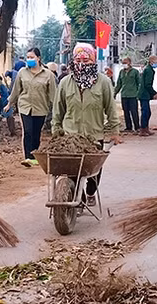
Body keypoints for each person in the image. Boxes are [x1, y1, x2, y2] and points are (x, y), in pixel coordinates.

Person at [52, 43, 122, 207]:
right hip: (71, 137)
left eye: (86, 59)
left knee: (93, 173)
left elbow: (110, 108)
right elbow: (58, 109)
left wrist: (115, 131)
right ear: (73, 61)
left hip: (94, 136)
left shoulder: (103, 82)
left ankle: (90, 191)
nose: (82, 64)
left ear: (93, 61)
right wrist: (56, 130)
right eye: (78, 59)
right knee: (71, 171)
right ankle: (79, 196)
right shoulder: (65, 83)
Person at [7, 47, 57, 164]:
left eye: (31, 57)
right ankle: (28, 157)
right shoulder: (22, 73)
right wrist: (10, 103)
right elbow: (16, 90)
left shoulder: (48, 75)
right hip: (25, 107)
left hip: (41, 108)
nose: (29, 59)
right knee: (28, 131)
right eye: (28, 57)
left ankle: (34, 155)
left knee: (36, 133)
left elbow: (53, 94)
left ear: (38, 58)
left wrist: (57, 109)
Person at [114, 57, 141, 132]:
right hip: (124, 95)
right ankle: (128, 127)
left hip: (133, 95)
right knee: (126, 112)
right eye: (123, 63)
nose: (124, 64)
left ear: (130, 63)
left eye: (125, 62)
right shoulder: (121, 72)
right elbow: (119, 84)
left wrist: (138, 93)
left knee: (134, 112)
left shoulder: (135, 72)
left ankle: (137, 127)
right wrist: (114, 93)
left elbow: (139, 83)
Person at [138, 55, 157, 136]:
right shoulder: (149, 70)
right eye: (156, 63)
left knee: (147, 112)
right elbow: (148, 85)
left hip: (145, 94)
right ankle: (142, 129)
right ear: (151, 62)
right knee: (145, 112)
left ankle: (145, 128)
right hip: (144, 94)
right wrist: (154, 93)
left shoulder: (149, 69)